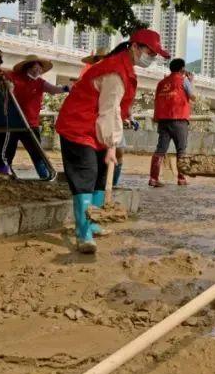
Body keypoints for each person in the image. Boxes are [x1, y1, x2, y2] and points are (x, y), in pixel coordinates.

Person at [54, 29, 168, 253]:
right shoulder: (115, 71)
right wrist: (112, 145)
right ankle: (84, 233)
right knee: (86, 175)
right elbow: (110, 111)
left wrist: (109, 147)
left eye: (155, 55)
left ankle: (94, 221)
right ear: (134, 47)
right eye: (150, 52)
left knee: (100, 174)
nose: (151, 58)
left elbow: (114, 111)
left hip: (95, 126)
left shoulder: (124, 68)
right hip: (78, 126)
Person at [5, 55, 68, 179]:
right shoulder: (14, 77)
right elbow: (3, 76)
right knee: (8, 151)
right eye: (35, 67)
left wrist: (67, 88)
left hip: (31, 124)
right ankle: (8, 174)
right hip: (12, 123)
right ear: (27, 68)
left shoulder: (40, 83)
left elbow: (54, 90)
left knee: (37, 152)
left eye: (40, 69)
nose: (38, 71)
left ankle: (45, 175)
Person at [150, 58, 194, 187]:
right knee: (181, 150)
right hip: (179, 120)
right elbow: (193, 97)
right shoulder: (184, 80)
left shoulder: (162, 83)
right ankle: (181, 178)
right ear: (182, 69)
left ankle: (153, 178)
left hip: (163, 120)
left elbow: (157, 100)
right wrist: (191, 82)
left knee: (160, 150)